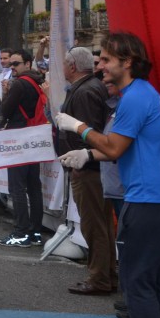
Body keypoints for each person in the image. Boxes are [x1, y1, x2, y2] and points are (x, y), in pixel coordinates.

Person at [57, 32, 160, 318]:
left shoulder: (134, 98)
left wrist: (78, 128)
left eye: (106, 59)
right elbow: (127, 147)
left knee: (137, 283)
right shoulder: (146, 93)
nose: (99, 65)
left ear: (127, 63)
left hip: (146, 203)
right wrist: (88, 154)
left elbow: (114, 148)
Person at [55, 46, 114, 296]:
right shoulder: (89, 88)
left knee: (94, 225)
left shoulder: (86, 91)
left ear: (72, 66)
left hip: (89, 168)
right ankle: (106, 273)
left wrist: (82, 157)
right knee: (99, 224)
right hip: (92, 166)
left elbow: (91, 132)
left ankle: (100, 277)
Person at [0, 49, 46, 248]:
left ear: (27, 63)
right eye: (11, 64)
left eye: (16, 64)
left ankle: (20, 233)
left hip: (18, 139)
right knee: (34, 187)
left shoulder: (20, 84)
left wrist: (7, 93)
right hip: (35, 138)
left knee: (17, 187)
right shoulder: (38, 81)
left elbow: (4, 111)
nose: (12, 67)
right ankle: (35, 232)